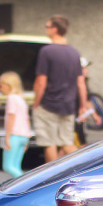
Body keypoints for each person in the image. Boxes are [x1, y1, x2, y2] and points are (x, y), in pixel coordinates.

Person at [33, 15, 89, 163]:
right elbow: (81, 82)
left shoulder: (46, 51)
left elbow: (41, 82)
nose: (46, 30)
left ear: (54, 29)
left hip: (48, 105)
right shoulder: (74, 52)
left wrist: (36, 103)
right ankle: (85, 165)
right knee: (67, 142)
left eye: (47, 27)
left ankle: (52, 177)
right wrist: (82, 105)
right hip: (69, 105)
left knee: (49, 142)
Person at [0, 71, 31, 179]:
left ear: (9, 86)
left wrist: (7, 137)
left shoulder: (11, 98)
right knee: (16, 165)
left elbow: (11, 118)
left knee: (8, 166)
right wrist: (28, 137)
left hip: (14, 135)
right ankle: (21, 184)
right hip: (24, 136)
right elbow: (26, 119)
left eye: (1, 86)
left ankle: (26, 183)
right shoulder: (20, 98)